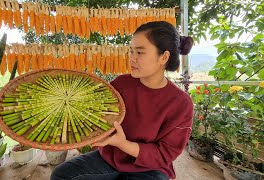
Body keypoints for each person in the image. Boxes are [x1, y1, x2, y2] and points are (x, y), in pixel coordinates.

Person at [50, 21, 194, 180]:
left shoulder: (181, 103)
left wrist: (123, 143)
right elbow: (100, 115)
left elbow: (164, 154)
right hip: (110, 159)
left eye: (140, 52)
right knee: (60, 175)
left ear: (164, 57)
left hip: (150, 169)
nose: (132, 58)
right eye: (131, 51)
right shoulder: (121, 84)